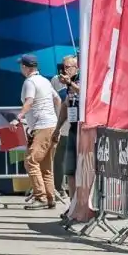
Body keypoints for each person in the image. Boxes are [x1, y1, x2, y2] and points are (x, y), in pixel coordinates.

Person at [17, 54, 60, 210]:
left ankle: (40, 197)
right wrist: (57, 119)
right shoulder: (45, 81)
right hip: (52, 125)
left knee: (31, 161)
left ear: (26, 67)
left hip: (42, 126)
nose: (20, 68)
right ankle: (50, 198)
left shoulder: (29, 82)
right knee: (46, 166)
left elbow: (29, 101)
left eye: (21, 65)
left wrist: (19, 117)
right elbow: (58, 100)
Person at [54, 55, 81, 217]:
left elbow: (86, 93)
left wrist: (70, 82)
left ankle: (83, 205)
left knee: (84, 171)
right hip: (72, 129)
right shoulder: (67, 86)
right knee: (70, 171)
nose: (65, 71)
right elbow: (65, 106)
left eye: (68, 67)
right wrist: (57, 128)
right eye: (64, 67)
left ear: (77, 68)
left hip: (85, 130)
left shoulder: (82, 79)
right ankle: (72, 206)